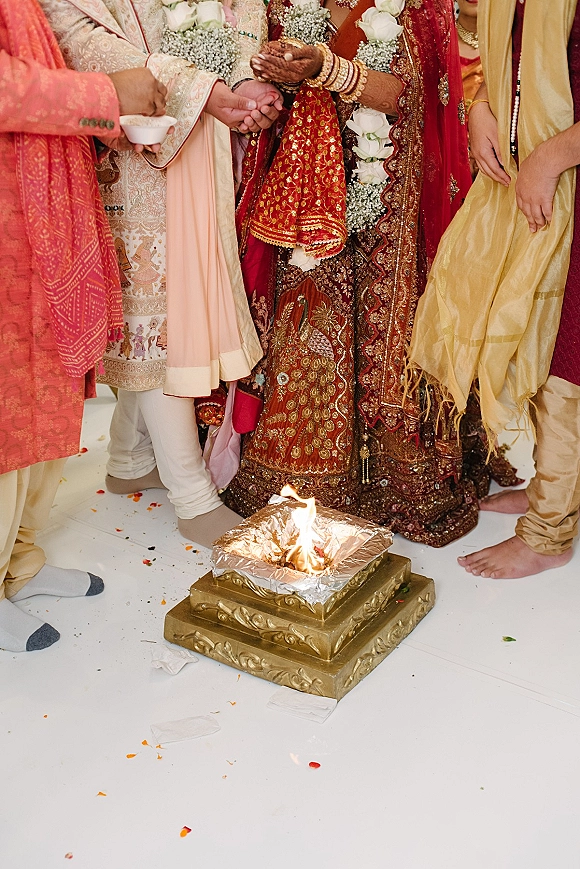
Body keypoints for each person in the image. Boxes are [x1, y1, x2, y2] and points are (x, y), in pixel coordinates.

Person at [225, 0, 518, 546]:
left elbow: (414, 93)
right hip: (305, 191)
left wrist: (326, 69)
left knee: (392, 331)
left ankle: (395, 475)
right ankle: (305, 474)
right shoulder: (282, 4)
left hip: (390, 200)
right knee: (310, 321)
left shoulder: (416, 7)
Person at [40, 0, 282, 547]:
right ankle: (192, 498)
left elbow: (236, 11)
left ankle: (129, 458)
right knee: (154, 313)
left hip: (209, 143)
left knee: (174, 303)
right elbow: (72, 31)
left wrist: (244, 81)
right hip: (129, 140)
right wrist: (198, 88)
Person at [0, 0, 168, 651]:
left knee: (45, 393)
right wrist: (104, 93)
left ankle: (21, 562)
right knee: (10, 408)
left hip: (39, 210)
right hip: (11, 219)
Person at [410, 0, 580, 578]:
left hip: (564, 173)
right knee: (531, 328)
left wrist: (551, 159)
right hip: (530, 177)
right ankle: (549, 491)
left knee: (566, 356)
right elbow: (477, 30)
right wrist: (478, 104)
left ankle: (550, 531)